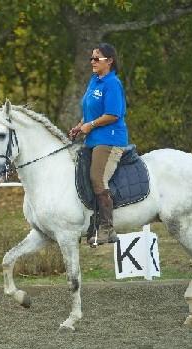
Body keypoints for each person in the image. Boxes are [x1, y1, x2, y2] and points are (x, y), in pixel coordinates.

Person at [69, 43, 128, 245]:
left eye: (97, 58)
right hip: (93, 139)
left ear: (109, 61)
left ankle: (107, 228)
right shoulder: (94, 80)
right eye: (91, 58)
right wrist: (80, 126)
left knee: (97, 177)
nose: (92, 62)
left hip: (110, 140)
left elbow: (113, 114)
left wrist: (90, 125)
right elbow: (89, 113)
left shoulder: (113, 84)